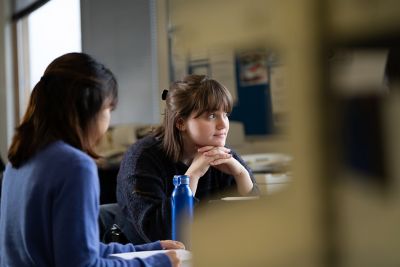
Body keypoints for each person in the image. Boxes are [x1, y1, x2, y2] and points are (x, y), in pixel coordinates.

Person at [0, 52, 184, 267]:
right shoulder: (74, 165)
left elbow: (76, 249)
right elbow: (82, 264)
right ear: (89, 108)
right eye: (109, 109)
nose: (108, 120)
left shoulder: (19, 158)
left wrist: (151, 249)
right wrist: (159, 262)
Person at [116, 74, 259, 244]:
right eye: (212, 116)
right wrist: (191, 177)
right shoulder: (142, 159)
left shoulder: (221, 154)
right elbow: (159, 234)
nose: (223, 125)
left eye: (225, 114)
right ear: (181, 123)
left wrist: (241, 174)